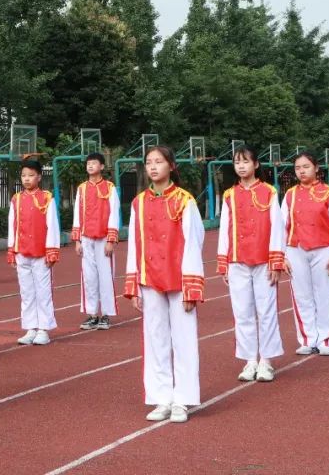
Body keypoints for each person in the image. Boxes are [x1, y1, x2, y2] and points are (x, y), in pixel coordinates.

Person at [124, 145, 205, 424]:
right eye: (149, 162)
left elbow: (194, 242)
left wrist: (192, 284)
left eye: (159, 161)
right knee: (156, 340)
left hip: (179, 278)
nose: (153, 167)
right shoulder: (139, 203)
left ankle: (182, 399)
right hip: (149, 277)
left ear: (171, 166)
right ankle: (161, 397)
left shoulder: (185, 200)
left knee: (183, 340)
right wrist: (133, 282)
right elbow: (134, 243)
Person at [216, 146, 284, 382]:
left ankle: (266, 360)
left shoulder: (269, 192)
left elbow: (277, 227)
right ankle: (249, 360)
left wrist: (276, 262)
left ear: (255, 165)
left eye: (245, 161)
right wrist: (223, 262)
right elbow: (224, 230)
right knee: (242, 312)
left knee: (266, 311)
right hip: (237, 260)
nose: (241, 166)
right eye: (237, 162)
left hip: (264, 260)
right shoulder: (229, 195)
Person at [279, 152, 329, 356]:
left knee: (324, 294)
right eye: (298, 168)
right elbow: (282, 226)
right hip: (296, 248)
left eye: (306, 166)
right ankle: (307, 338)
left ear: (316, 168)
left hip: (323, 248)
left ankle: (325, 339)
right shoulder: (290, 195)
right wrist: (282, 255)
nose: (302, 171)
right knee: (301, 296)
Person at [8, 159, 60, 346]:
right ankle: (30, 327)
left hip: (40, 253)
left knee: (43, 291)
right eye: (23, 176)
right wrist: (12, 249)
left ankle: (44, 328)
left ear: (39, 176)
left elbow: (52, 225)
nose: (27, 179)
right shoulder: (16, 199)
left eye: (31, 175)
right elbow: (12, 225)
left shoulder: (47, 198)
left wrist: (51, 250)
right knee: (27, 292)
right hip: (22, 251)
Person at [71, 153, 120, 331]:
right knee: (89, 276)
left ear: (101, 166)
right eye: (88, 164)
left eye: (94, 163)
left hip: (103, 238)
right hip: (86, 237)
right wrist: (77, 240)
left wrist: (111, 240)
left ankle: (106, 314)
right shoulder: (81, 188)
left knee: (106, 276)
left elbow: (114, 213)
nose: (90, 166)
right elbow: (77, 213)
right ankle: (92, 314)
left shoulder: (110, 187)